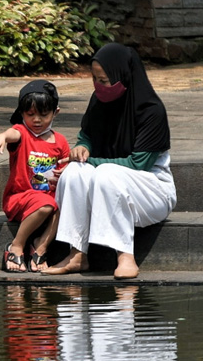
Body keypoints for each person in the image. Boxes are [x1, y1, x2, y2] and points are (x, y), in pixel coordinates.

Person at [43, 43, 177, 279]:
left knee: (106, 172)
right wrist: (81, 148)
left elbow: (139, 165)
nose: (99, 86)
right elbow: (87, 136)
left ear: (123, 75)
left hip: (151, 189)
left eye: (104, 80)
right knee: (74, 172)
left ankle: (125, 256)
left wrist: (92, 162)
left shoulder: (151, 111)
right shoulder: (98, 102)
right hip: (105, 183)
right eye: (95, 79)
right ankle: (76, 254)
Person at [0, 80, 69, 272]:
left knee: (65, 203)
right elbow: (12, 134)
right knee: (46, 204)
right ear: (22, 113)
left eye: (43, 114)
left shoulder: (61, 141)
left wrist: (66, 170)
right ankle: (16, 245)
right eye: (30, 114)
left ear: (55, 112)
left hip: (49, 198)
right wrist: (2, 136)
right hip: (20, 198)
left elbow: (66, 165)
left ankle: (40, 246)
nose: (37, 120)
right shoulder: (22, 133)